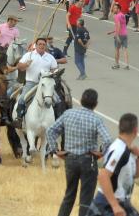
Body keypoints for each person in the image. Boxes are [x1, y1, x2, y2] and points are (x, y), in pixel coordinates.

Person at [46, 88, 113, 216]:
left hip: (70, 159)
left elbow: (51, 131)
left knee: (69, 195)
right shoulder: (96, 119)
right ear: (96, 104)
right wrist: (101, 152)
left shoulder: (68, 114)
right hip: (88, 160)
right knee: (86, 199)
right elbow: (108, 140)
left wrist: (55, 150)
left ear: (81, 101)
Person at [88, 113, 139, 216]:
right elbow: (103, 175)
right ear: (136, 131)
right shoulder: (119, 150)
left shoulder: (125, 149)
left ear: (119, 128)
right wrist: (114, 205)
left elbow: (136, 175)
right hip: (108, 204)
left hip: (121, 203)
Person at [13, 38, 59, 127]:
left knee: (57, 100)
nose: (41, 46)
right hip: (31, 83)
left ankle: (57, 120)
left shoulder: (50, 57)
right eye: (40, 44)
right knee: (22, 99)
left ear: (45, 46)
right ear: (36, 45)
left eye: (43, 44)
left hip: (45, 84)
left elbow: (54, 69)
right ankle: (19, 118)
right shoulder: (29, 55)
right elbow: (19, 66)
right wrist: (26, 64)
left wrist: (54, 72)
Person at [109, 3, 129, 70]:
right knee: (125, 49)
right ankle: (126, 65)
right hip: (125, 34)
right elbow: (123, 25)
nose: (113, 9)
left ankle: (117, 64)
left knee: (117, 50)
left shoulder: (117, 16)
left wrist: (116, 35)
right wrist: (112, 31)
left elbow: (119, 26)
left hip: (119, 34)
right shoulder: (122, 15)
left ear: (118, 9)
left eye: (115, 8)